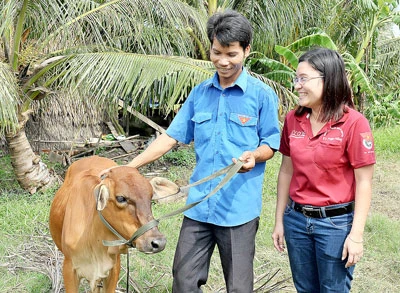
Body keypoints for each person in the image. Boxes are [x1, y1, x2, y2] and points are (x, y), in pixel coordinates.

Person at [125, 10, 280, 292]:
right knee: (183, 281)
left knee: (238, 286)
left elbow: (271, 143)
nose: (223, 61)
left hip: (238, 210)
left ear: (246, 50)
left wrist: (253, 156)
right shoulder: (199, 94)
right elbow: (171, 137)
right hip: (199, 207)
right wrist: (130, 167)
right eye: (216, 52)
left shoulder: (261, 95)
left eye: (231, 54)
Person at [271, 47, 376, 293]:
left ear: (328, 80)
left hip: (335, 225)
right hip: (297, 221)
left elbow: (364, 182)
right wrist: (279, 221)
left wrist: (356, 235)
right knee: (304, 289)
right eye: (296, 78)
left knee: (333, 290)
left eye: (304, 78)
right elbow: (286, 171)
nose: (297, 85)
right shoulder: (292, 120)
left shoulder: (354, 123)